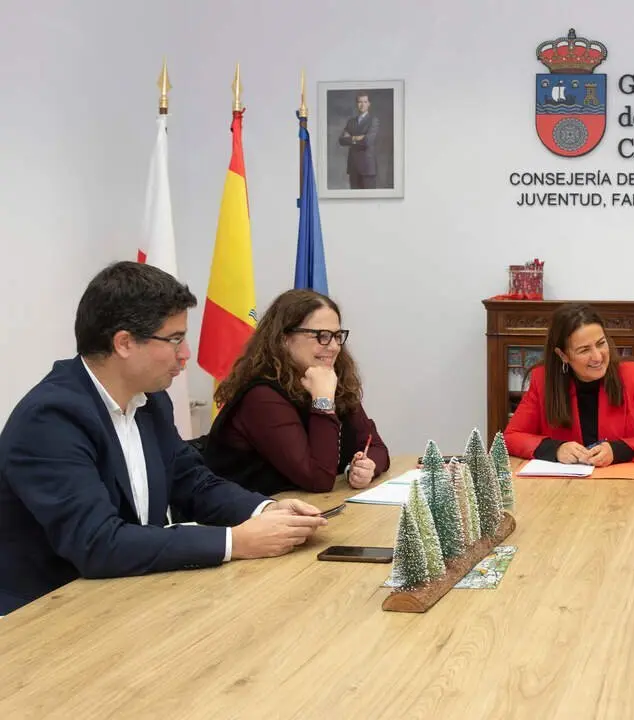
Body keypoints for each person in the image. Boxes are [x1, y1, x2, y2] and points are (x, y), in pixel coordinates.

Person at [0, 262, 327, 615]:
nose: (186, 354)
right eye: (174, 339)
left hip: (126, 595)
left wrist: (265, 510)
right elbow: (97, 543)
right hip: (43, 616)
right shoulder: (51, 418)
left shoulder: (151, 401)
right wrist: (236, 541)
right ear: (124, 343)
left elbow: (194, 482)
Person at [201, 289, 390, 496]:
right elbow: (318, 479)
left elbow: (377, 447)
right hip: (247, 519)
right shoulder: (262, 396)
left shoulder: (332, 378)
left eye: (337, 336)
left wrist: (369, 466)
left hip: (306, 510)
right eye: (322, 336)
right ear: (284, 338)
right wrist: (323, 401)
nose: (334, 347)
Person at [504, 303, 634, 466]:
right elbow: (511, 437)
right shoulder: (542, 380)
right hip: (562, 486)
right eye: (584, 350)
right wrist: (555, 449)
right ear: (563, 355)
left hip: (622, 485)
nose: (598, 357)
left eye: (601, 344)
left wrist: (618, 451)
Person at [338, 92, 380, 189]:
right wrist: (356, 138)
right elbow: (341, 140)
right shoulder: (351, 122)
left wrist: (351, 138)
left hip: (367, 168)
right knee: (354, 202)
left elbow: (367, 141)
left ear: (369, 104)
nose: (362, 105)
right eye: (359, 102)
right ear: (356, 104)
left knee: (369, 201)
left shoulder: (373, 121)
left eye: (365, 102)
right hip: (353, 167)